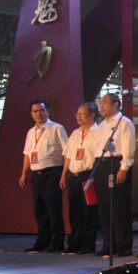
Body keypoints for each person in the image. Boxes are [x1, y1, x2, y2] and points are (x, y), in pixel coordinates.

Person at [19, 99, 68, 253]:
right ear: (31, 114)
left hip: (52, 173)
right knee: (39, 210)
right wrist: (24, 173)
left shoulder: (57, 128)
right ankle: (42, 241)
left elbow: (67, 152)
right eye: (35, 111)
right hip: (36, 175)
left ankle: (57, 242)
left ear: (48, 112)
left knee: (53, 209)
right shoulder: (31, 132)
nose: (38, 114)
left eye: (41, 110)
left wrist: (64, 174)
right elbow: (27, 154)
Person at [92, 93, 136, 257]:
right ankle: (109, 245)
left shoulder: (124, 122)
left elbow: (128, 147)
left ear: (116, 104)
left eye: (105, 102)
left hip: (116, 164)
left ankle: (123, 246)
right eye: (100, 102)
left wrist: (124, 167)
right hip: (100, 165)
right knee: (104, 207)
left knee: (119, 207)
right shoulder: (101, 125)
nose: (101, 105)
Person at [59, 102, 99, 254]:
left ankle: (88, 244)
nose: (79, 117)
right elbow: (68, 156)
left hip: (89, 175)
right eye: (78, 114)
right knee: (74, 212)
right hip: (74, 176)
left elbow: (99, 157)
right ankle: (74, 243)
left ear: (92, 115)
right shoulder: (75, 133)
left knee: (89, 212)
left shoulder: (98, 132)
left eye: (82, 114)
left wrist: (95, 176)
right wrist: (64, 175)